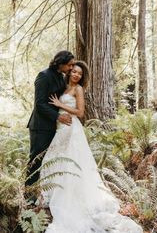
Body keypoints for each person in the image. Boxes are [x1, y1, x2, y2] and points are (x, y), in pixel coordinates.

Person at [39, 61, 143, 233]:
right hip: (61, 128)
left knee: (71, 163)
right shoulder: (63, 87)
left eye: (79, 73)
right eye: (74, 72)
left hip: (72, 130)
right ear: (69, 72)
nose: (76, 75)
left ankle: (71, 199)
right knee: (56, 162)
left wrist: (61, 105)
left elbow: (80, 112)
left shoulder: (78, 89)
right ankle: (51, 195)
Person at [25, 50, 75, 187]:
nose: (71, 68)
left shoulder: (61, 77)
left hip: (55, 126)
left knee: (50, 160)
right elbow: (39, 103)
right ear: (60, 62)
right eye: (69, 65)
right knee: (36, 160)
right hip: (40, 126)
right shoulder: (44, 76)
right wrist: (59, 116)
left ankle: (43, 193)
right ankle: (29, 194)